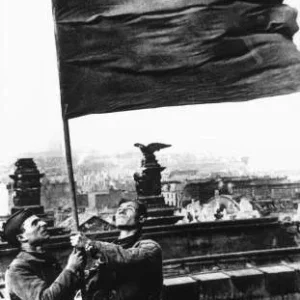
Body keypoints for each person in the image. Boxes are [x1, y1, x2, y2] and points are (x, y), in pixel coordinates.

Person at [71, 199, 163, 300]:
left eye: (129, 209)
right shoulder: (111, 248)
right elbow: (100, 276)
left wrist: (90, 244)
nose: (121, 211)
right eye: (119, 209)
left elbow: (126, 257)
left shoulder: (150, 247)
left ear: (141, 219)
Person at [2, 209, 85, 300]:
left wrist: (79, 249)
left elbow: (64, 289)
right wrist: (70, 268)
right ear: (21, 237)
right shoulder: (17, 270)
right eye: (35, 223)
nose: (43, 223)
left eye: (40, 220)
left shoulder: (46, 259)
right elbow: (44, 298)